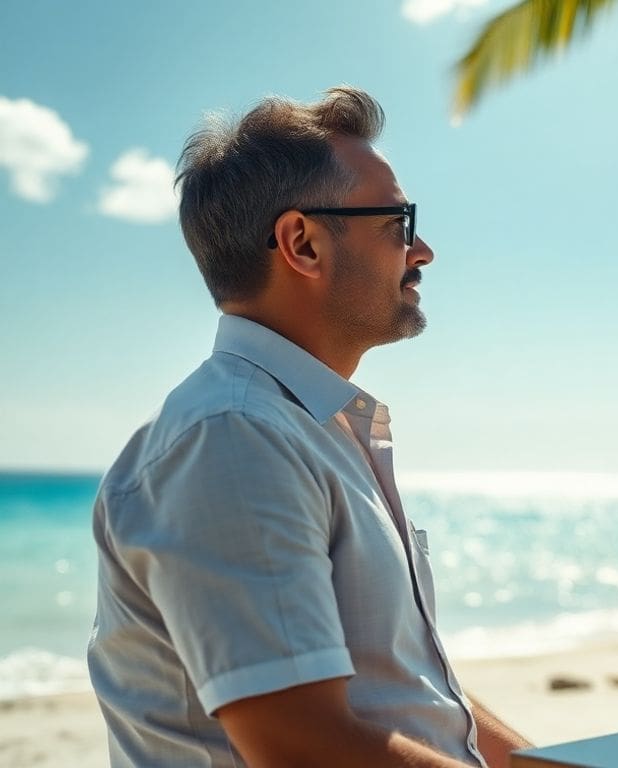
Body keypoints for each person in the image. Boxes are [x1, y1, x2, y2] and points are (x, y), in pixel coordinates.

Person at [87, 86, 530, 768]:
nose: (424, 251)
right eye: (399, 223)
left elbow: (405, 689)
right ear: (303, 242)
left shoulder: (309, 428)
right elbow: (305, 747)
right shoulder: (234, 436)